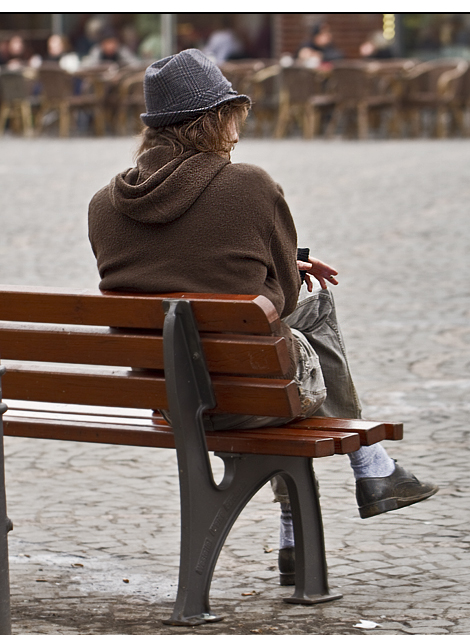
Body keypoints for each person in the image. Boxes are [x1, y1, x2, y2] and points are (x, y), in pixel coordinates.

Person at [87, 49, 437, 583]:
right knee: (309, 318)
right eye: (234, 116)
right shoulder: (249, 185)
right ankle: (369, 467)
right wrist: (287, 272)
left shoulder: (103, 205)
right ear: (215, 119)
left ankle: (324, 506)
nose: (238, 129)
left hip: (168, 398)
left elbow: (175, 267)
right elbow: (287, 296)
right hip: (248, 395)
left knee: (263, 343)